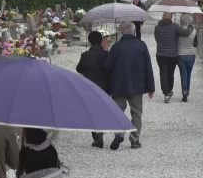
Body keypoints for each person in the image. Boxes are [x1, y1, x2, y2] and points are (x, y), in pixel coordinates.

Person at [106, 22, 155, 150]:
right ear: (134, 32)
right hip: (136, 85)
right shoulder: (141, 46)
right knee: (137, 113)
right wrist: (151, 87)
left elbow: (108, 66)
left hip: (119, 85)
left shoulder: (116, 47)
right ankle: (134, 139)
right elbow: (148, 68)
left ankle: (119, 134)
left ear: (122, 33)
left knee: (118, 111)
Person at [77, 31, 111, 148]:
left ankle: (96, 136)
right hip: (104, 87)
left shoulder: (85, 55)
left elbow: (79, 69)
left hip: (89, 87)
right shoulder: (106, 55)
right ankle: (100, 132)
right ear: (101, 40)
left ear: (89, 41)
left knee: (91, 111)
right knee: (102, 110)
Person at [154, 12, 193, 103]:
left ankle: (166, 94)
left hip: (160, 55)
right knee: (170, 74)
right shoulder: (175, 27)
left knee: (163, 74)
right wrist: (191, 26)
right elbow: (186, 33)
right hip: (172, 55)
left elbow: (157, 39)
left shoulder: (157, 28)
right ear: (171, 17)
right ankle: (170, 90)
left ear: (162, 17)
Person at [176, 14, 197, 102]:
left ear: (181, 21)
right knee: (189, 74)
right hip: (191, 55)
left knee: (183, 74)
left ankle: (184, 91)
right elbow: (196, 44)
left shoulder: (178, 31)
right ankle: (187, 90)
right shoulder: (194, 31)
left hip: (180, 55)